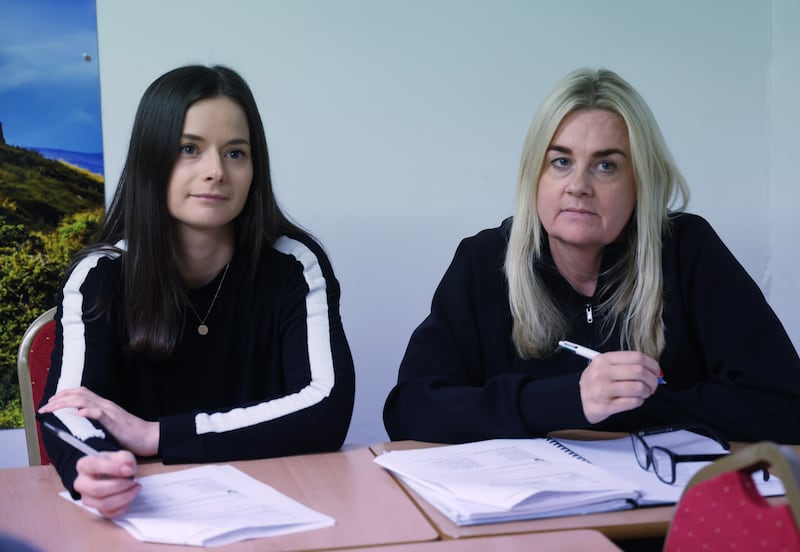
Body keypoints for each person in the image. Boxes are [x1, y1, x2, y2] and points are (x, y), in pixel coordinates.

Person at [383, 67, 800, 446]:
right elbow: (412, 410)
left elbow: (784, 404)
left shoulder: (688, 250)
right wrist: (569, 400)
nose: (578, 185)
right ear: (535, 176)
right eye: (561, 161)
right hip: (527, 503)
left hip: (661, 500)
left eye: (606, 166)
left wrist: (620, 404)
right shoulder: (483, 261)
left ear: (640, 181)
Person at [38, 65, 355, 517]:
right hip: (145, 511)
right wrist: (94, 468)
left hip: (280, 503)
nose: (215, 172)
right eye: (189, 149)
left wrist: (156, 435)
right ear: (151, 159)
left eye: (235, 153)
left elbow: (326, 406)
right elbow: (68, 408)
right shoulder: (99, 276)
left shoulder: (294, 264)